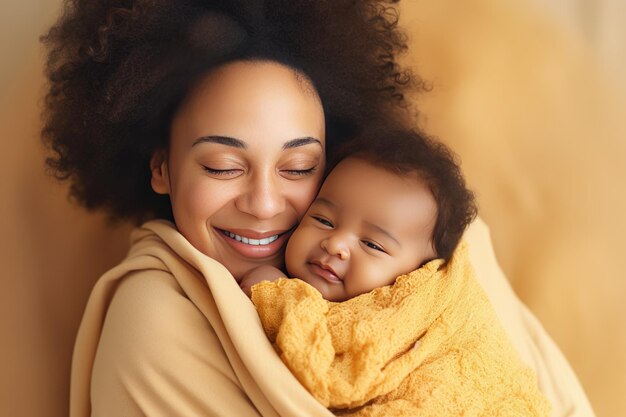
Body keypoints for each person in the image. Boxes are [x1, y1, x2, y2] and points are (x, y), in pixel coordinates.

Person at [40, 0, 596, 416]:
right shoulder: (155, 324)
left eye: (299, 168)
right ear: (161, 167)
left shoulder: (444, 250)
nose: (262, 204)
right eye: (222, 166)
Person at [243, 130, 550, 416]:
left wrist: (278, 296)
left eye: (371, 244)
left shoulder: (409, 310)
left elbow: (333, 378)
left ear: (417, 270)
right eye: (323, 220)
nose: (336, 243)